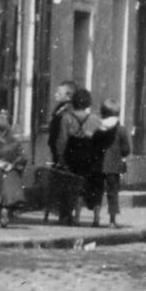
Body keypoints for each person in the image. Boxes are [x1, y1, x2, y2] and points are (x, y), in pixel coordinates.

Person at [51, 86, 104, 226]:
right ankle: (96, 218)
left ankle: (77, 217)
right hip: (92, 156)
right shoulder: (95, 119)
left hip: (73, 156)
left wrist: (61, 157)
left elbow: (62, 140)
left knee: (76, 186)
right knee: (95, 186)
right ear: (88, 102)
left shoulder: (67, 118)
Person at [98, 102, 132, 229]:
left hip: (99, 165)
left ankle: (95, 219)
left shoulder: (98, 128)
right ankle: (112, 221)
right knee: (112, 193)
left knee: (97, 191)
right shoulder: (121, 129)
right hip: (113, 167)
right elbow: (126, 150)